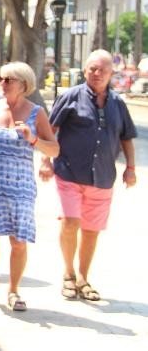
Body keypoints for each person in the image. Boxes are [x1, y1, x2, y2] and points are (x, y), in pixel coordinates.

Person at [39, 49, 137, 302]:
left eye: (102, 69)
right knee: (70, 222)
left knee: (92, 230)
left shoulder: (118, 103)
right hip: (69, 172)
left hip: (103, 177)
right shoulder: (71, 96)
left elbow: (126, 137)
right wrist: (46, 161)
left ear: (111, 73)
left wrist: (131, 168)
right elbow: (50, 130)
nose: (97, 73)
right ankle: (68, 275)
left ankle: (83, 277)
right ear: (85, 71)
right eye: (92, 68)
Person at [0, 62, 59, 312]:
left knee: (18, 240)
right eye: (1, 78)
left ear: (24, 83)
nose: (3, 83)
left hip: (21, 185)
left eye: (8, 79)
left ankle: (14, 290)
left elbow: (54, 148)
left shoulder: (36, 112)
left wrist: (33, 138)